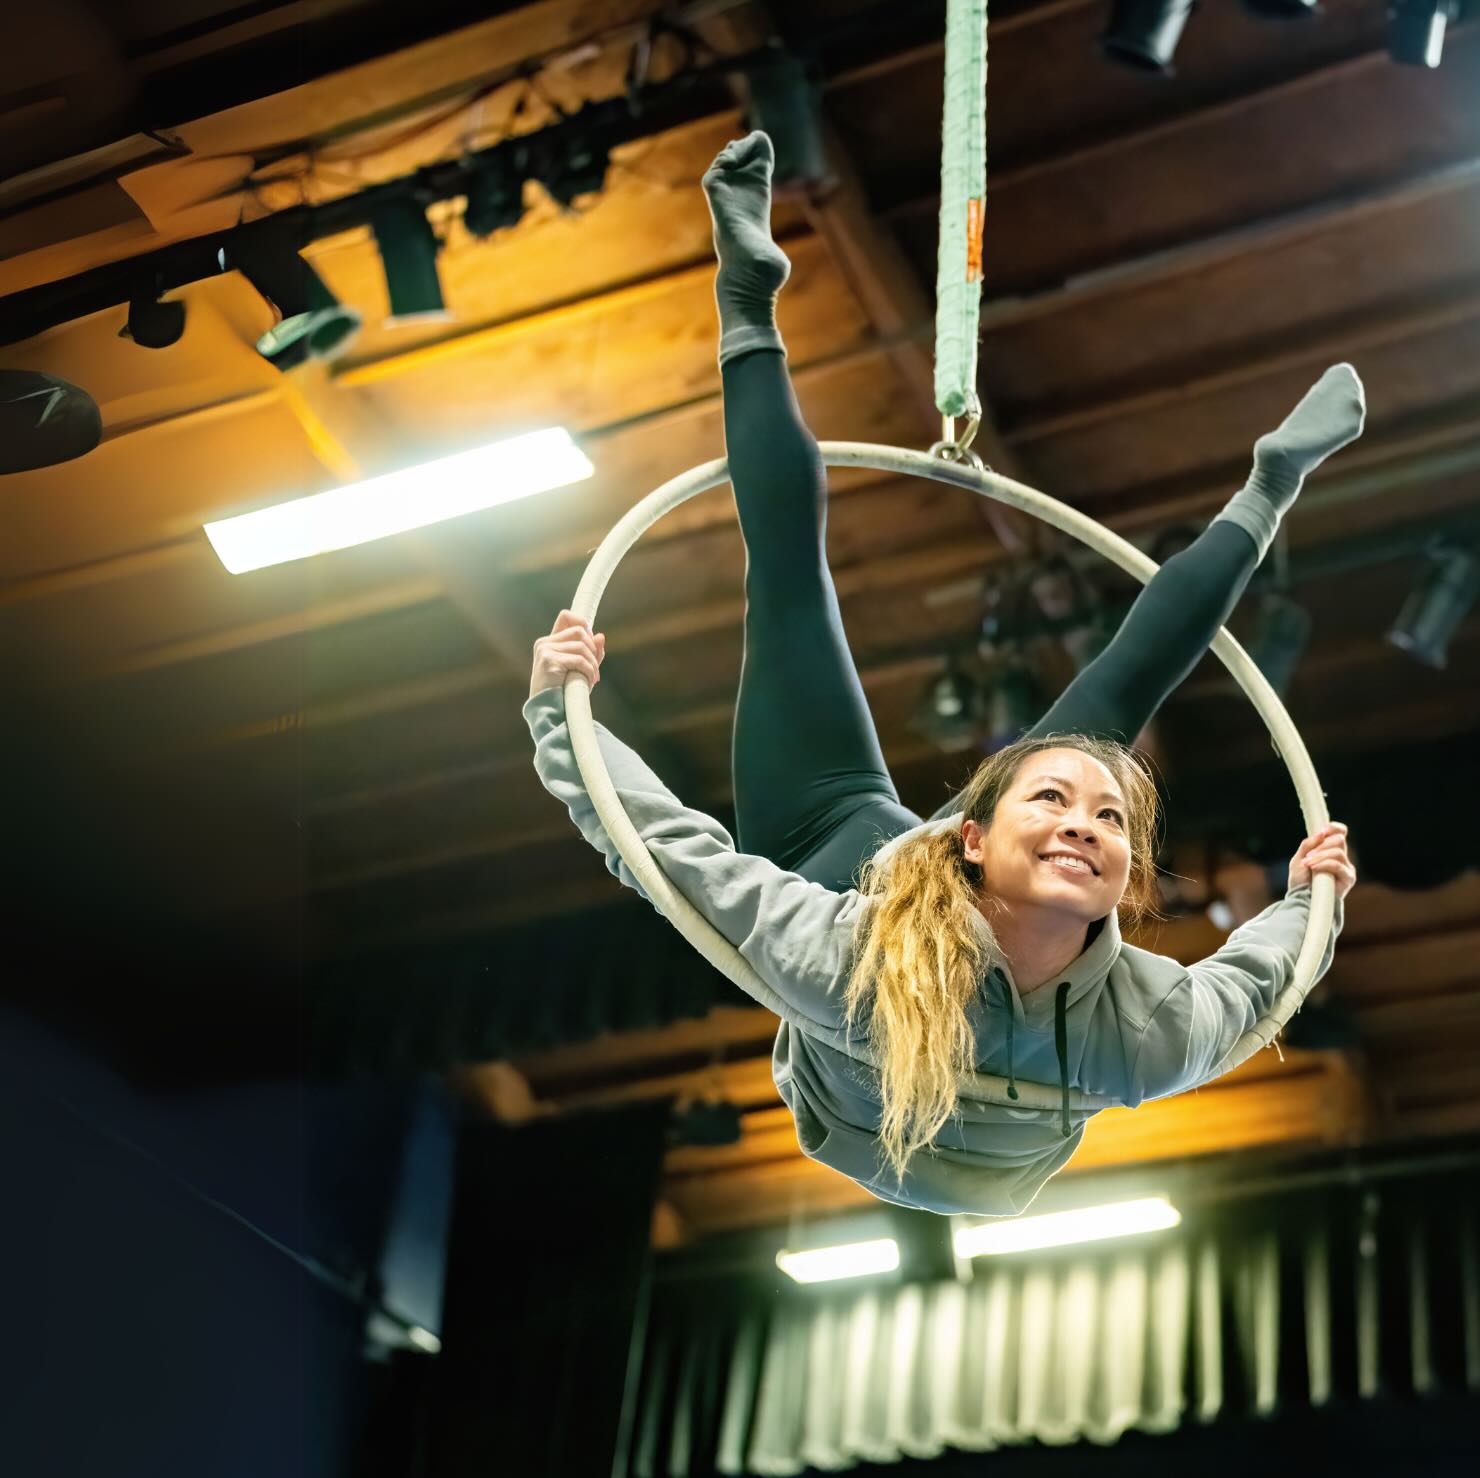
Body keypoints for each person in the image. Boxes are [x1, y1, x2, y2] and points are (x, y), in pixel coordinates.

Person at [521, 132, 1360, 1217]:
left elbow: (666, 853)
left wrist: (559, 710)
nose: (1087, 822)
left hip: (839, 883)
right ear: (973, 830)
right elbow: (1260, 982)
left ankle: (1262, 491)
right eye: (1069, 806)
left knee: (787, 589)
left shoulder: (848, 970)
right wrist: (1311, 900)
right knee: (1113, 698)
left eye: (1101, 815)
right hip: (893, 892)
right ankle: (1264, 492)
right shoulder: (1142, 1041)